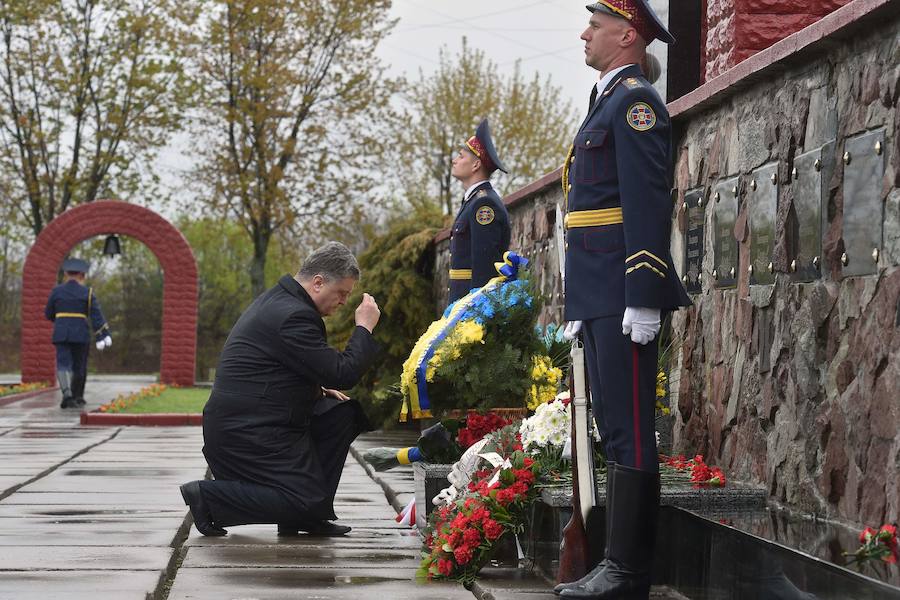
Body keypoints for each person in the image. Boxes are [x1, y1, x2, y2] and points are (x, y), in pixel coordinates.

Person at [555, 2, 691, 599]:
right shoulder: (606, 102)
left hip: (621, 292)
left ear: (627, 35)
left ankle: (628, 572)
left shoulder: (636, 105)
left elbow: (646, 205)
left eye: (595, 25)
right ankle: (616, 565)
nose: (584, 33)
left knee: (631, 430)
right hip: (599, 292)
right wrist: (580, 299)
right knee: (614, 427)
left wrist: (642, 295)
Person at [180, 242, 381, 537]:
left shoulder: (284, 302)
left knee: (341, 413)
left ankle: (306, 516)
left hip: (259, 424)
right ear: (317, 282)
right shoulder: (292, 314)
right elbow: (343, 373)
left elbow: (279, 367)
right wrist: (364, 327)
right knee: (305, 500)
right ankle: (210, 497)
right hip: (245, 435)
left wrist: (316, 389)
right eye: (342, 293)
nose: (343, 302)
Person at [447, 118, 512, 304]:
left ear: (476, 165)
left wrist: (476, 311)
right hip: (461, 301)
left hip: (470, 304)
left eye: (461, 156)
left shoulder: (483, 204)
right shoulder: (473, 200)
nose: (455, 160)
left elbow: (484, 269)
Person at [44, 258, 112, 409]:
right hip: (80, 333)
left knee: (63, 364)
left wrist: (61, 320)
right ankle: (76, 396)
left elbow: (48, 313)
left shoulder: (56, 291)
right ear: (82, 275)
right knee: (79, 366)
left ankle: (67, 394)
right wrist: (101, 332)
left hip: (61, 332)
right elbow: (96, 314)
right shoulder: (87, 293)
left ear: (66, 274)